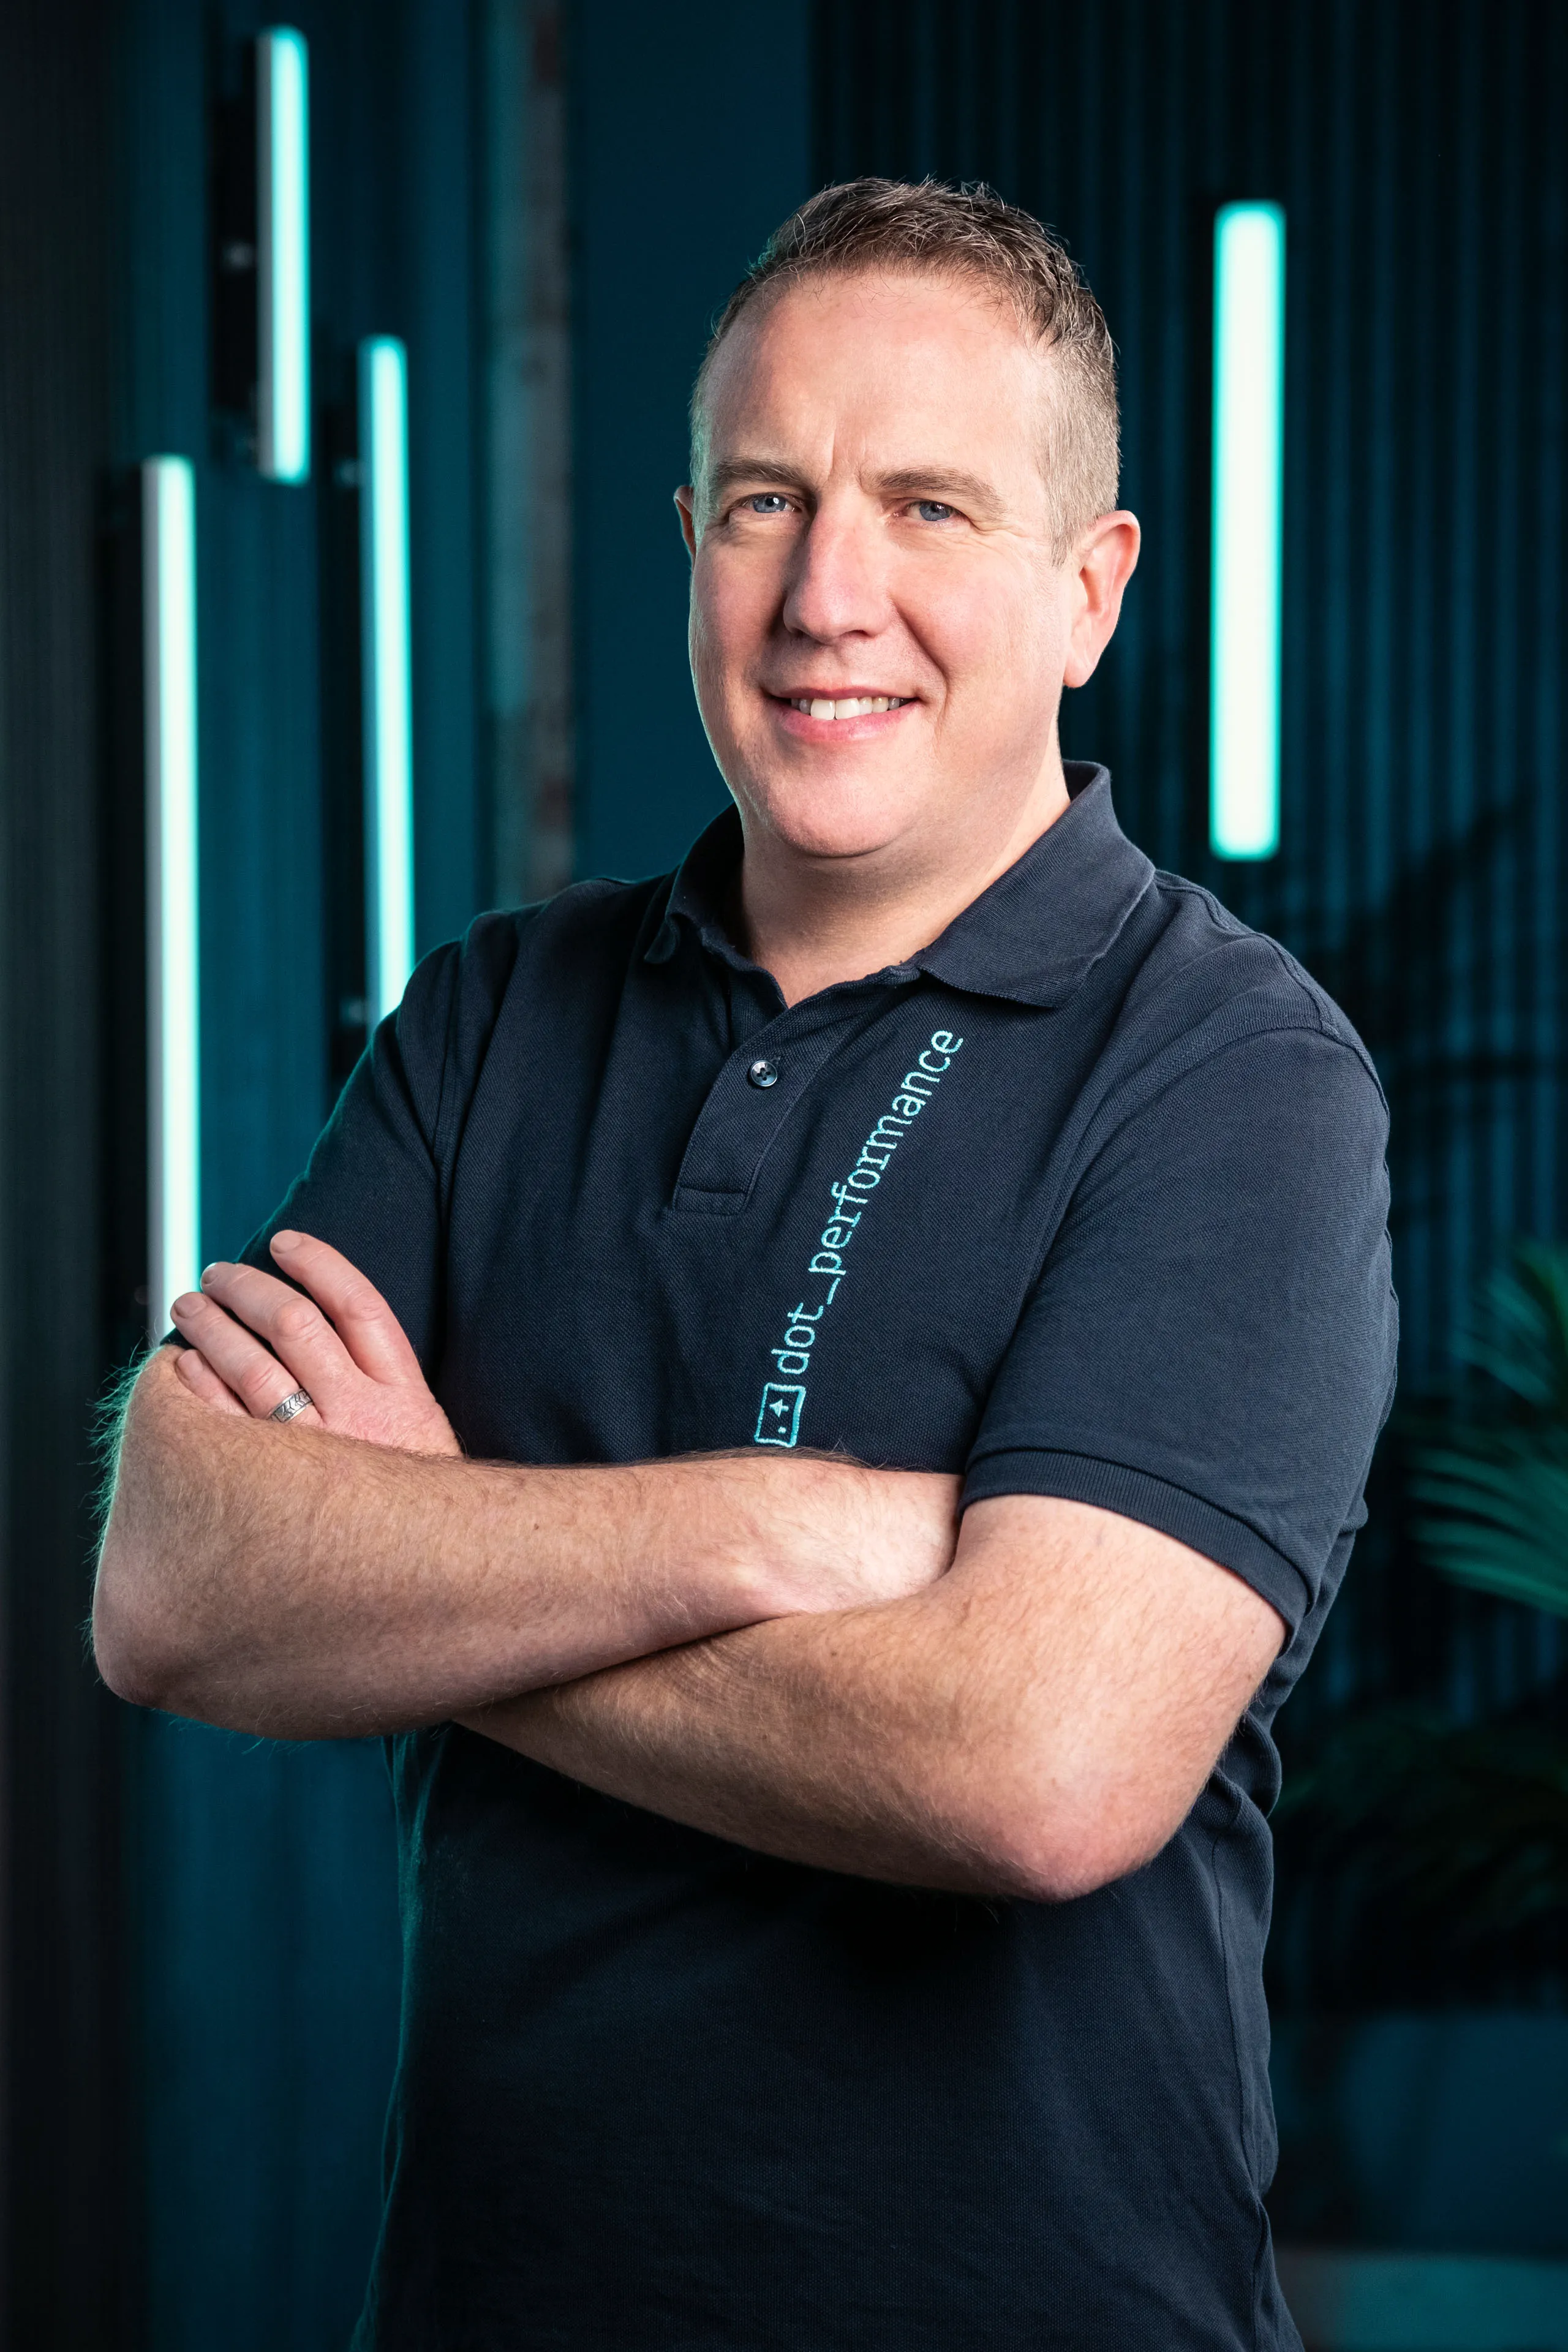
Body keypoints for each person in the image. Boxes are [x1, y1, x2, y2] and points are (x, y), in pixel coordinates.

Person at [94, 178, 1396, 2349]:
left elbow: (1037, 1767)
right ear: (687, 541)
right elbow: (170, 1580)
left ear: (1092, 593)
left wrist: (427, 1572)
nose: (829, 595)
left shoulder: (1235, 1079)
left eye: (930, 507)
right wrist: (794, 1531)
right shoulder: (495, 1017)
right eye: (766, 500)